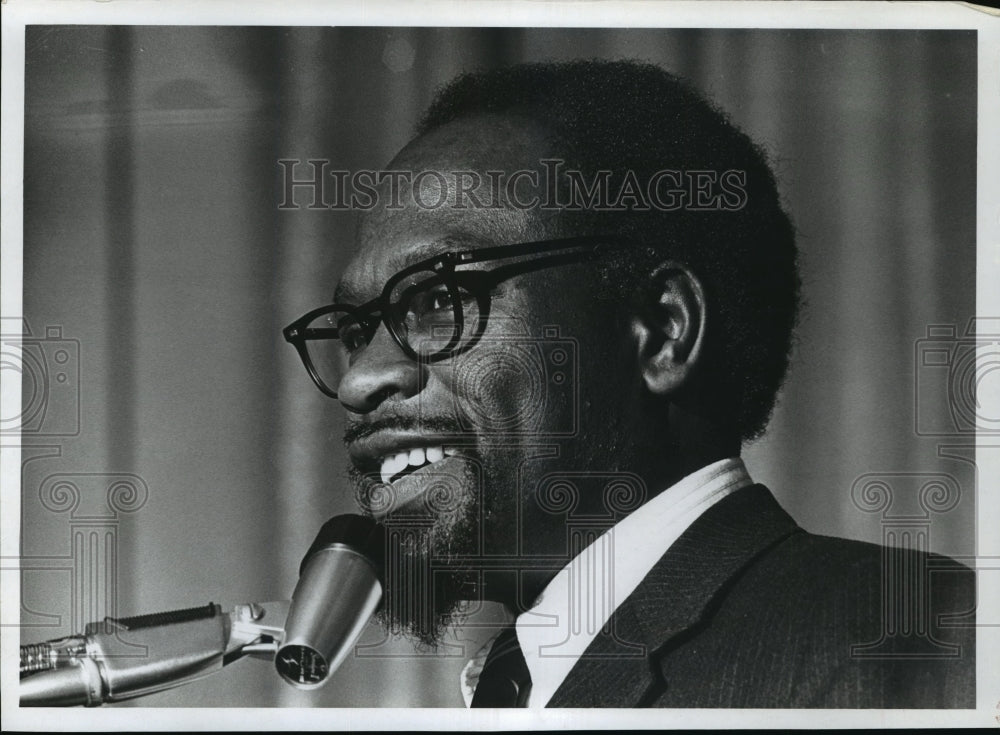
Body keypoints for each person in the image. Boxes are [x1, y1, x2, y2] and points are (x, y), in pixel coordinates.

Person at [283, 59, 975, 708]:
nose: (360, 379)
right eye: (354, 330)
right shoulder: (517, 682)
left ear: (663, 329)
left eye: (438, 299)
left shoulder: (926, 643)